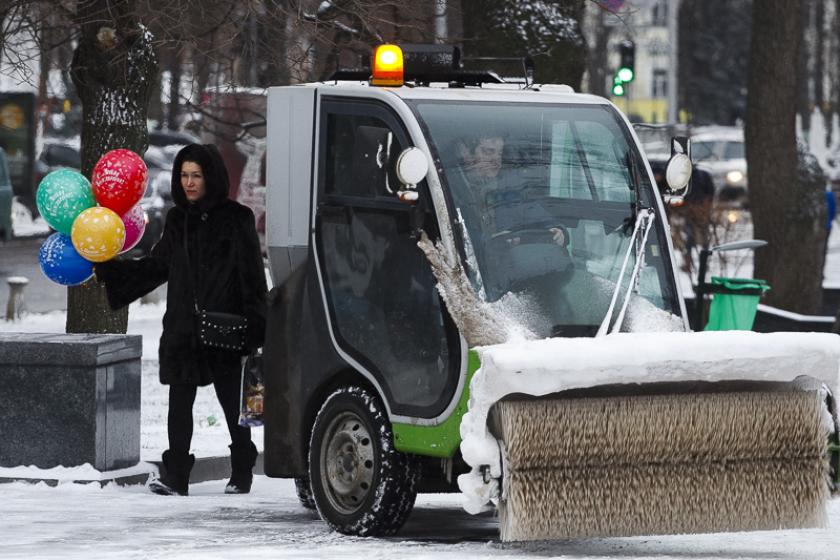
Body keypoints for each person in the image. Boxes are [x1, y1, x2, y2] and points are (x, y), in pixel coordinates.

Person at [94, 144, 267, 496]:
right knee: (179, 400)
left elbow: (251, 275)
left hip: (226, 326)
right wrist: (113, 271)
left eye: (196, 176)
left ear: (211, 177)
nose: (189, 183)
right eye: (184, 175)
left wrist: (255, 326)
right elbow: (159, 266)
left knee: (232, 402)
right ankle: (176, 476)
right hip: (184, 328)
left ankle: (242, 469)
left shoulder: (237, 218)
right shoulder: (177, 219)